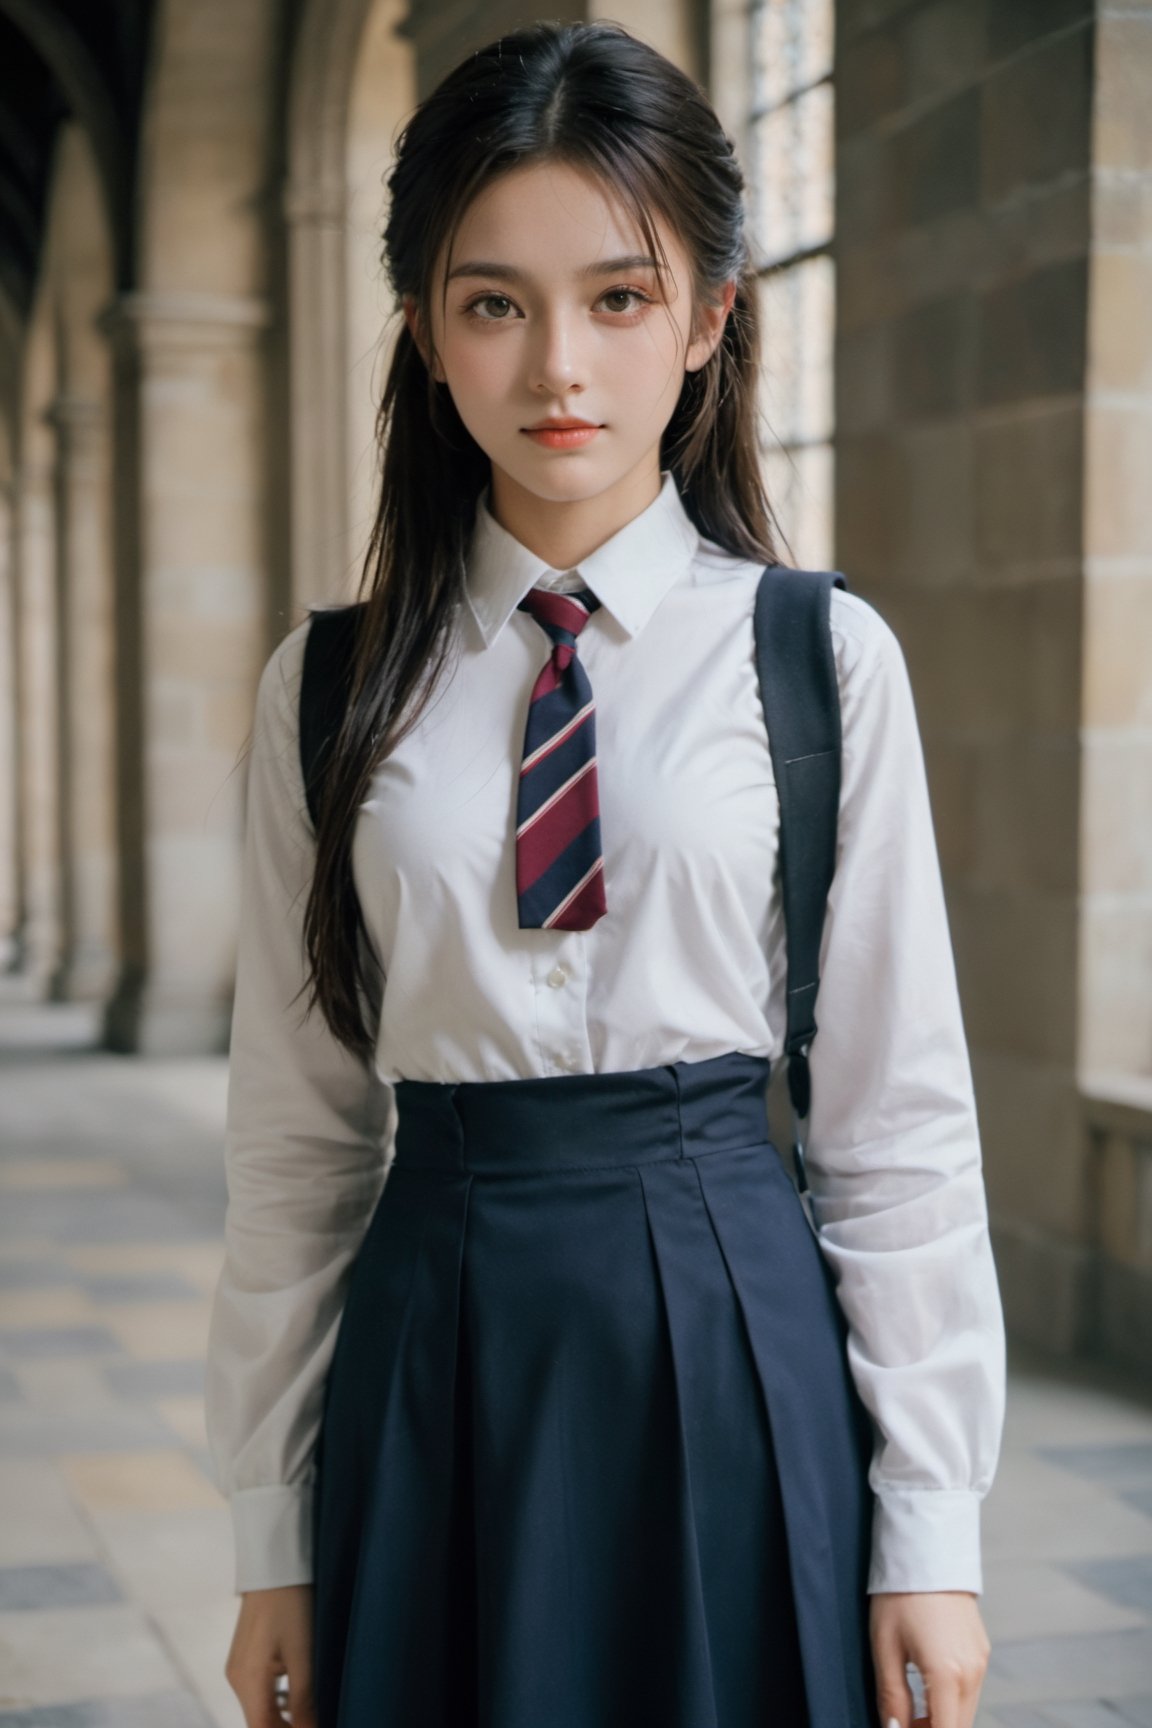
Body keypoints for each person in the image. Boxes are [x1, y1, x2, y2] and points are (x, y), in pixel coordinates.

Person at [205, 18, 1007, 1728]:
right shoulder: (328, 690)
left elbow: (895, 1121)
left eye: (621, 296)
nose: (557, 363)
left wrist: (929, 1530)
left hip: (732, 1336)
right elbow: (297, 1140)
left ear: (712, 319)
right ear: (424, 332)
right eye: (493, 302)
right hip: (438, 1349)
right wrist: (275, 1527)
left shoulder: (820, 659)